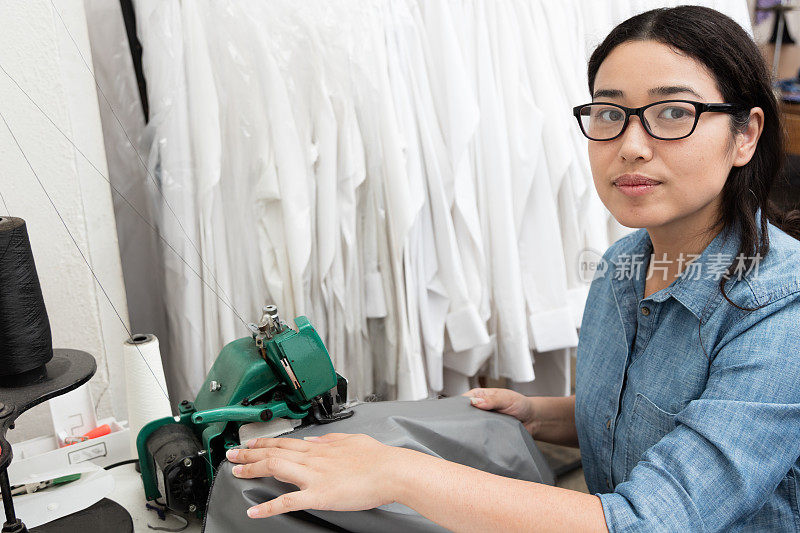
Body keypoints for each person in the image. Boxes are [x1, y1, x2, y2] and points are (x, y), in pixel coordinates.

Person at [224, 6, 800, 531]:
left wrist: (398, 473)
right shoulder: (625, 266)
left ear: (745, 134)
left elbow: (646, 521)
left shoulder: (782, 311)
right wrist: (540, 414)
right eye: (609, 113)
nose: (631, 145)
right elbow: (658, 412)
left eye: (673, 112)